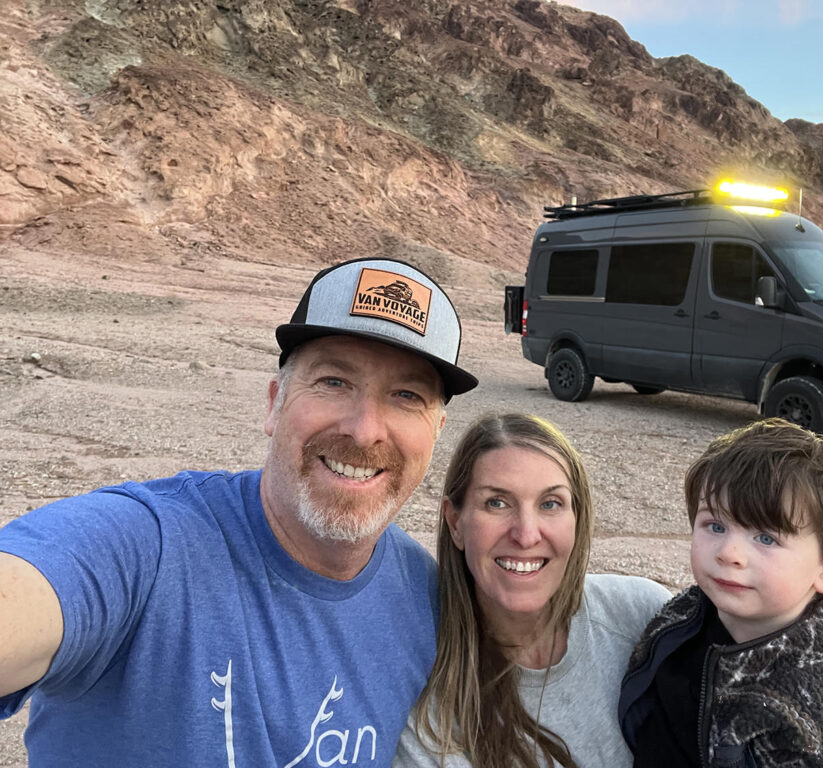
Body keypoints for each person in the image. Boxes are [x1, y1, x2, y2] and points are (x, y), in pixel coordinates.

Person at [0, 257, 478, 766]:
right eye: (334, 381)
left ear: (437, 432)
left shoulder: (427, 597)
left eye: (406, 396)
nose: (365, 431)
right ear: (274, 403)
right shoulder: (148, 545)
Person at [395, 413, 672, 768]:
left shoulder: (643, 619)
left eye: (550, 504)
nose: (526, 534)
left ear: (577, 518)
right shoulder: (427, 697)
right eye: (497, 502)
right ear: (455, 523)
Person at [619, 418, 823, 768]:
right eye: (715, 526)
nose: (728, 553)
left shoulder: (814, 728)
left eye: (766, 538)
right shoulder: (685, 615)